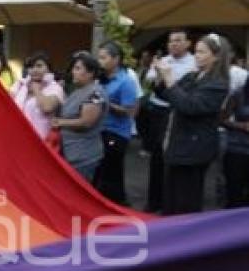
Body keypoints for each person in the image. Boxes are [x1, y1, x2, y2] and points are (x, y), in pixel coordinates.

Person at [154, 33, 231, 215]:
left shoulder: (218, 84)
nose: (196, 55)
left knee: (185, 201)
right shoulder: (192, 76)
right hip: (177, 144)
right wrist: (160, 77)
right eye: (196, 51)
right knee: (171, 198)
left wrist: (170, 79)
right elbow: (167, 94)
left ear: (217, 56)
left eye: (202, 52)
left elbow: (190, 106)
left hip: (193, 149)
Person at [143, 29, 196, 212]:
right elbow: (151, 81)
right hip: (158, 110)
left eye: (178, 40)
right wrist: (158, 73)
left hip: (177, 112)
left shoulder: (193, 64)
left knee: (172, 157)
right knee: (156, 157)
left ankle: (169, 203)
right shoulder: (163, 60)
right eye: (171, 41)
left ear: (188, 43)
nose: (173, 44)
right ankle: (153, 202)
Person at [94, 41, 139, 205]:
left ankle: (117, 204)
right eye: (99, 57)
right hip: (101, 129)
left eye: (104, 57)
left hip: (117, 132)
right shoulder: (101, 79)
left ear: (116, 59)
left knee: (112, 171)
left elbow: (127, 110)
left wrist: (106, 103)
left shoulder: (126, 81)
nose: (100, 61)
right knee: (101, 170)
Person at [51, 52, 107, 182]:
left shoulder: (95, 93)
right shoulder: (78, 90)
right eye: (73, 68)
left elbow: (87, 122)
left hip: (84, 156)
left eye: (77, 68)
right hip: (70, 152)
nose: (73, 72)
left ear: (91, 73)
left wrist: (60, 122)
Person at [10, 51, 64, 143]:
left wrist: (36, 89)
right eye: (31, 67)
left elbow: (47, 107)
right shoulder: (20, 84)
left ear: (48, 69)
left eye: (39, 66)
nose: (34, 69)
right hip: (16, 138)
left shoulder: (55, 88)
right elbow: (6, 104)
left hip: (40, 142)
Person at [222, 72, 249, 208]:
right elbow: (222, 119)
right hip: (237, 150)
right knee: (234, 194)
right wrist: (242, 126)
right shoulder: (238, 94)